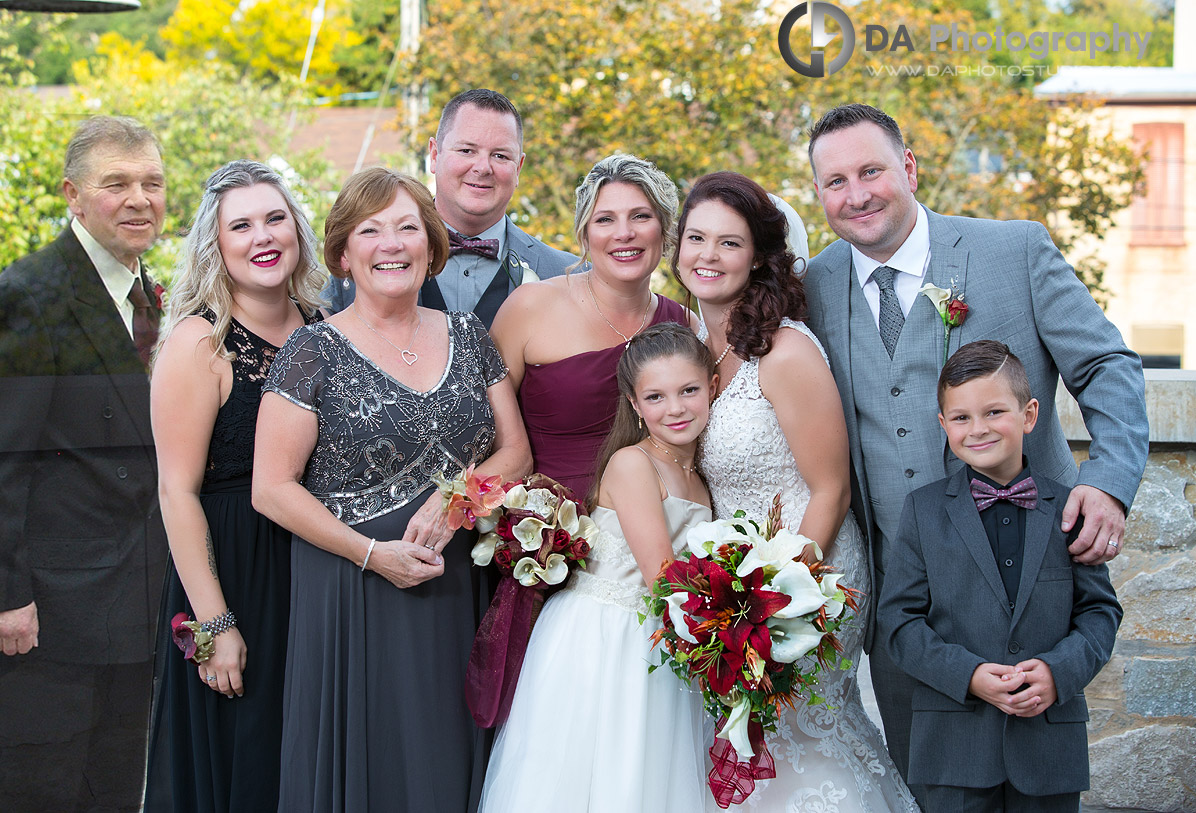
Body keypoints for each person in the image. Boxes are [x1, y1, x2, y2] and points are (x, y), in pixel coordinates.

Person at [803, 102, 1148, 785]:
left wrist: (1107, 481)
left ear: (909, 167)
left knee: (1040, 791)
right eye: (835, 181)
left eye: (871, 170)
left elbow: (1107, 366)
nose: (857, 194)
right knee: (924, 794)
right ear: (819, 195)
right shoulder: (816, 282)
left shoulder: (1012, 251)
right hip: (906, 620)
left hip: (1031, 597)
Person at [252, 167, 530, 812]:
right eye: (370, 230)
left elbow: (515, 450)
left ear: (431, 246)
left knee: (444, 755)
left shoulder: (470, 336)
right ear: (343, 253)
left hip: (455, 579)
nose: (392, 244)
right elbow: (271, 487)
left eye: (408, 227)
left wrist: (461, 493)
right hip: (352, 584)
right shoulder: (310, 350)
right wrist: (372, 555)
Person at [675, 171, 917, 812]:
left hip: (815, 572)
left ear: (758, 256)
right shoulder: (693, 352)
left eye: (729, 242)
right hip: (733, 588)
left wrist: (783, 597)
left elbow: (831, 488)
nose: (708, 255)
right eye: (696, 237)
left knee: (798, 741)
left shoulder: (784, 351)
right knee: (744, 747)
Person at [0, 115, 168, 812]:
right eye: (116, 183)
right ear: (73, 195)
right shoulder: (30, 294)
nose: (139, 198)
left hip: (129, 607)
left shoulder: (145, 290)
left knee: (112, 794)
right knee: (41, 793)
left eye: (151, 181)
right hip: (45, 618)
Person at [143, 160, 325, 812]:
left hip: (315, 569)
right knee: (245, 760)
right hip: (235, 572)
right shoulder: (200, 342)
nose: (262, 235)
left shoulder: (325, 323)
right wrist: (215, 622)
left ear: (297, 229)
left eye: (275, 218)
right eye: (240, 224)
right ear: (216, 244)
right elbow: (176, 492)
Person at [480, 322, 714, 812]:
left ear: (711, 386)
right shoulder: (633, 464)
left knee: (653, 776)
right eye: (656, 396)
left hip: (663, 631)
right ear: (633, 403)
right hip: (609, 635)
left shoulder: (698, 470)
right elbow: (663, 575)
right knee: (606, 772)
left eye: (689, 390)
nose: (675, 408)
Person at [879, 340, 1121, 813]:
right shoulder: (923, 511)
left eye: (994, 412)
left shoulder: (1069, 507)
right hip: (954, 745)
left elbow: (1100, 612)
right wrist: (968, 675)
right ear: (943, 424)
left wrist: (1057, 672)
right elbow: (899, 622)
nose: (979, 429)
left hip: (1049, 749)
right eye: (962, 417)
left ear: (1029, 415)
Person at [491, 153, 691, 500]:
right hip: (544, 539)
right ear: (585, 234)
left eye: (641, 216)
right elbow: (485, 435)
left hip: (660, 533)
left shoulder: (687, 327)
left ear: (664, 227)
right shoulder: (528, 308)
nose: (624, 233)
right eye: (605, 220)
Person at [324, 89, 576, 325]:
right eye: (467, 150)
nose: (482, 167)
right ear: (435, 155)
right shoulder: (356, 268)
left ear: (518, 168)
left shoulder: (568, 276)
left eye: (500, 155)